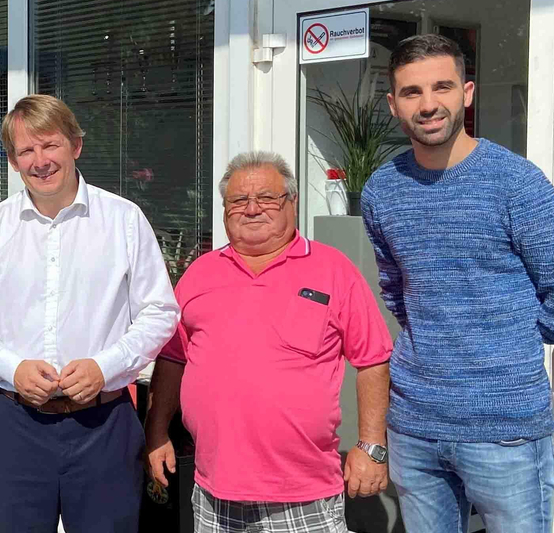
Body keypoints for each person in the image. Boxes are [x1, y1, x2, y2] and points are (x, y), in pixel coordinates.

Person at [360, 35, 554, 533]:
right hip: (415, 425)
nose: (428, 105)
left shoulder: (517, 184)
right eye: (412, 92)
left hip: (503, 429)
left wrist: (503, 346)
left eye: (441, 87)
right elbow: (397, 289)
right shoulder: (382, 189)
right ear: (393, 104)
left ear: (466, 93)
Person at [0, 94, 179, 533]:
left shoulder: (123, 221)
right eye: (25, 150)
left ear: (75, 145)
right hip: (16, 424)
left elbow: (159, 312)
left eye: (49, 144)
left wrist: (105, 366)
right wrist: (11, 368)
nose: (40, 160)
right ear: (13, 162)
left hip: (103, 423)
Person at [145, 152, 392, 533]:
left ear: (291, 203)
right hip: (214, 491)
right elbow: (174, 358)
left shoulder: (333, 269)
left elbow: (373, 359)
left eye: (267, 197)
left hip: (303, 493)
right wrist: (157, 431)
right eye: (239, 200)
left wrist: (372, 445)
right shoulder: (199, 273)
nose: (252, 209)